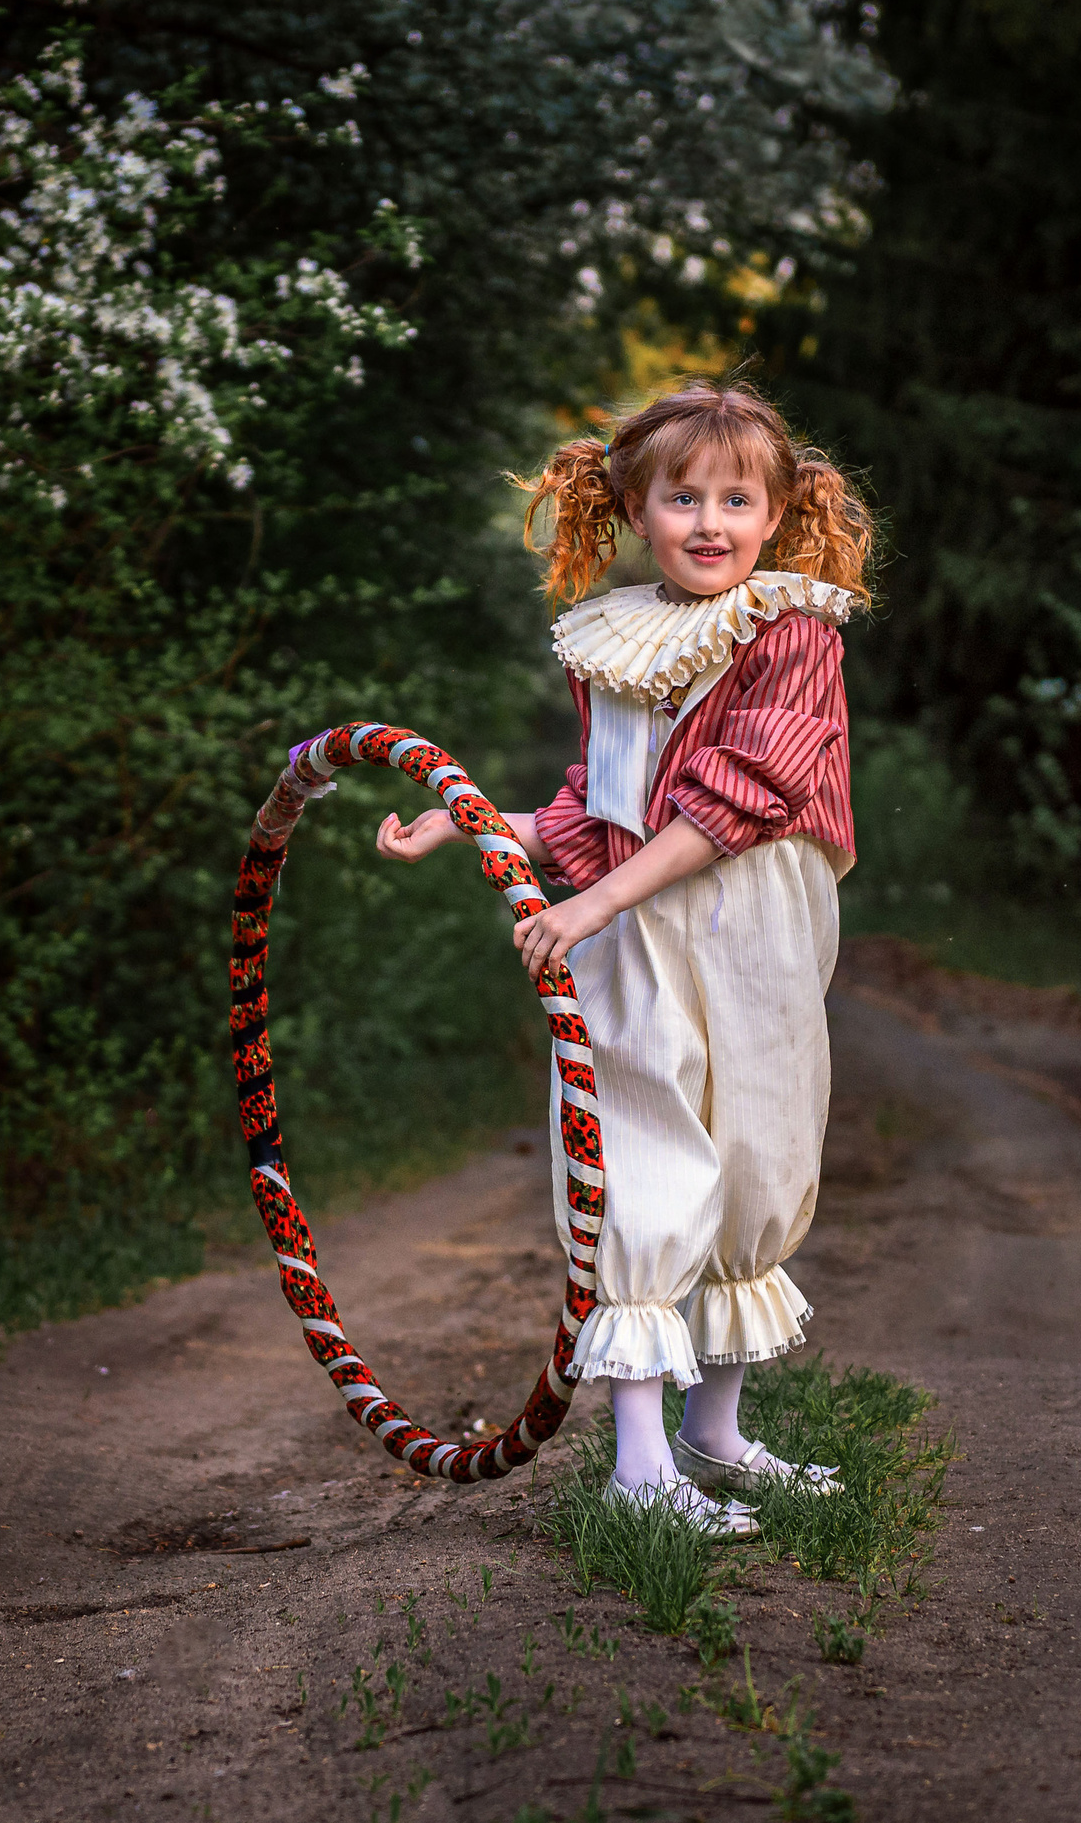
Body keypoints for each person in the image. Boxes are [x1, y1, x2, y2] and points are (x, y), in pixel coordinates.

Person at [375, 376, 874, 1535]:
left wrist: (591, 901)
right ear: (636, 509)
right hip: (634, 922)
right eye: (681, 497)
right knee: (642, 1142)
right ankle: (640, 1465)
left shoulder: (794, 634)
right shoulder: (614, 637)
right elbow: (602, 800)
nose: (709, 522)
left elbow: (724, 808)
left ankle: (716, 1432)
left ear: (777, 513)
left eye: (736, 500)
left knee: (756, 1143)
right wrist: (472, 820)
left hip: (753, 913)